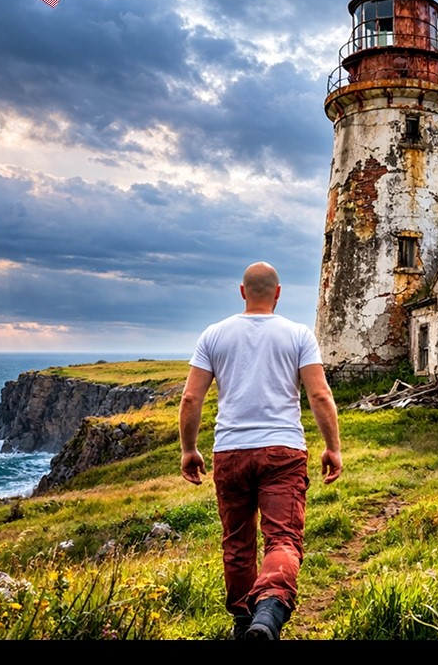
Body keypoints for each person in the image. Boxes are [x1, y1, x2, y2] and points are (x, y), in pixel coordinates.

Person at [179, 261, 343, 641]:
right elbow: (319, 394)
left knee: (237, 542)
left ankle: (243, 622)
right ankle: (269, 611)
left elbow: (191, 397)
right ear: (279, 293)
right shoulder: (298, 334)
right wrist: (332, 447)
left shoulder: (214, 335)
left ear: (242, 292)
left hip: (230, 451)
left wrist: (189, 449)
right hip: (283, 451)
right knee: (283, 539)